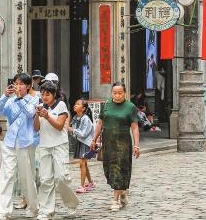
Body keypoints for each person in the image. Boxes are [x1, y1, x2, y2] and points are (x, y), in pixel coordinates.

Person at [0, 72, 40, 220]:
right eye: (16, 84)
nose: (18, 87)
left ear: (28, 86)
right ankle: (2, 211)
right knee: (6, 176)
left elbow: (30, 113)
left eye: (21, 84)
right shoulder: (10, 101)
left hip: (26, 142)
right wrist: (5, 96)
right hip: (10, 142)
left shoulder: (35, 99)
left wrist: (20, 98)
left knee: (27, 177)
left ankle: (33, 207)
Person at [90, 83, 141, 212]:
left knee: (119, 170)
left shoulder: (130, 107)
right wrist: (94, 139)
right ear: (111, 93)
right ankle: (122, 192)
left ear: (125, 93)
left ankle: (115, 199)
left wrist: (136, 145)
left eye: (120, 93)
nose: (117, 95)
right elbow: (100, 123)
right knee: (109, 171)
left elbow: (135, 127)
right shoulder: (106, 105)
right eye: (114, 93)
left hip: (123, 144)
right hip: (108, 143)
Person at [34, 81, 79, 220]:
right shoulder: (40, 106)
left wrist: (47, 116)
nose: (44, 97)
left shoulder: (61, 105)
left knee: (61, 178)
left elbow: (60, 126)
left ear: (54, 94)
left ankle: (71, 204)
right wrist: (36, 115)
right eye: (42, 94)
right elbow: (36, 128)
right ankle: (46, 210)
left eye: (47, 94)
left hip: (59, 145)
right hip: (44, 145)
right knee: (45, 179)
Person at [68, 99, 95, 193]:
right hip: (79, 142)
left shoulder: (85, 119)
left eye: (78, 104)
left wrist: (72, 130)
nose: (75, 105)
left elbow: (83, 134)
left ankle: (82, 186)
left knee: (82, 163)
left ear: (83, 108)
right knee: (84, 164)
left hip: (86, 143)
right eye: (75, 104)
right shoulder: (75, 117)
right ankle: (91, 183)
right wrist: (72, 130)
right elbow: (74, 132)